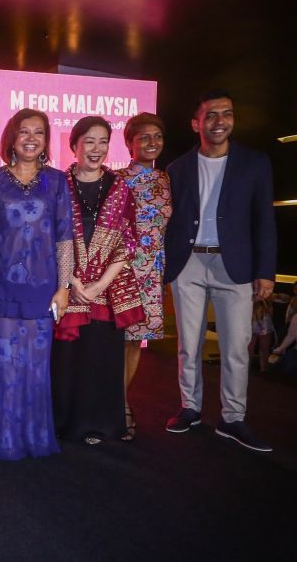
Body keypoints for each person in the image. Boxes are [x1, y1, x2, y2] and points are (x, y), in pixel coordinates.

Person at [164, 90, 276, 452]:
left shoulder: (255, 163)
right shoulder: (177, 168)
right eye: (211, 115)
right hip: (190, 262)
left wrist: (266, 271)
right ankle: (190, 408)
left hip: (236, 265)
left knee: (236, 347)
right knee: (188, 343)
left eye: (227, 114)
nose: (220, 121)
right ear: (196, 123)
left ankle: (232, 418)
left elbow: (264, 220)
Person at [0, 109, 72, 460]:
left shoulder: (57, 181)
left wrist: (64, 287)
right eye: (24, 132)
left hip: (43, 289)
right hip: (2, 289)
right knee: (2, 365)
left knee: (35, 366)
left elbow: (64, 237)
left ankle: (34, 437)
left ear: (46, 140)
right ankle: (2, 439)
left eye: (39, 132)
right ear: (11, 139)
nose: (31, 138)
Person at [52, 116, 144, 446]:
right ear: (74, 145)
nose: (96, 149)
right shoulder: (57, 185)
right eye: (88, 141)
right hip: (65, 286)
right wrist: (73, 281)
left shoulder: (120, 189)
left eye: (103, 141)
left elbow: (128, 241)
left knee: (100, 358)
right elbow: (48, 236)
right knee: (66, 360)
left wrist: (98, 285)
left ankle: (98, 425)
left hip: (106, 290)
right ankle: (63, 423)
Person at [115, 113, 172, 441]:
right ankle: (114, 405)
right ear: (129, 143)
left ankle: (120, 401)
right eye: (144, 137)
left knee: (135, 341)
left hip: (152, 273)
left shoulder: (166, 178)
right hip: (122, 271)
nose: (152, 143)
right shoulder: (117, 179)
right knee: (114, 340)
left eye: (158, 137)